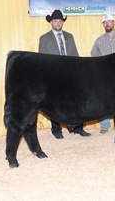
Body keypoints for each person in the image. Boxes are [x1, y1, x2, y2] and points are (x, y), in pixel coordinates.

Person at [39, 9, 91, 139]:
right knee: (55, 103)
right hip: (54, 75)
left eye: (60, 21)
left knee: (75, 101)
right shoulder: (44, 38)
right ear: (51, 22)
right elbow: (42, 60)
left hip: (70, 75)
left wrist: (79, 72)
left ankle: (79, 128)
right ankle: (56, 130)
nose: (58, 23)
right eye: (55, 21)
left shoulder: (69, 36)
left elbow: (75, 55)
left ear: (62, 22)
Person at [91, 14, 115, 134]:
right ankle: (105, 124)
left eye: (109, 21)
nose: (107, 24)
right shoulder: (99, 40)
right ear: (103, 25)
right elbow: (94, 55)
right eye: (105, 22)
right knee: (105, 99)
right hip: (105, 74)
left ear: (114, 22)